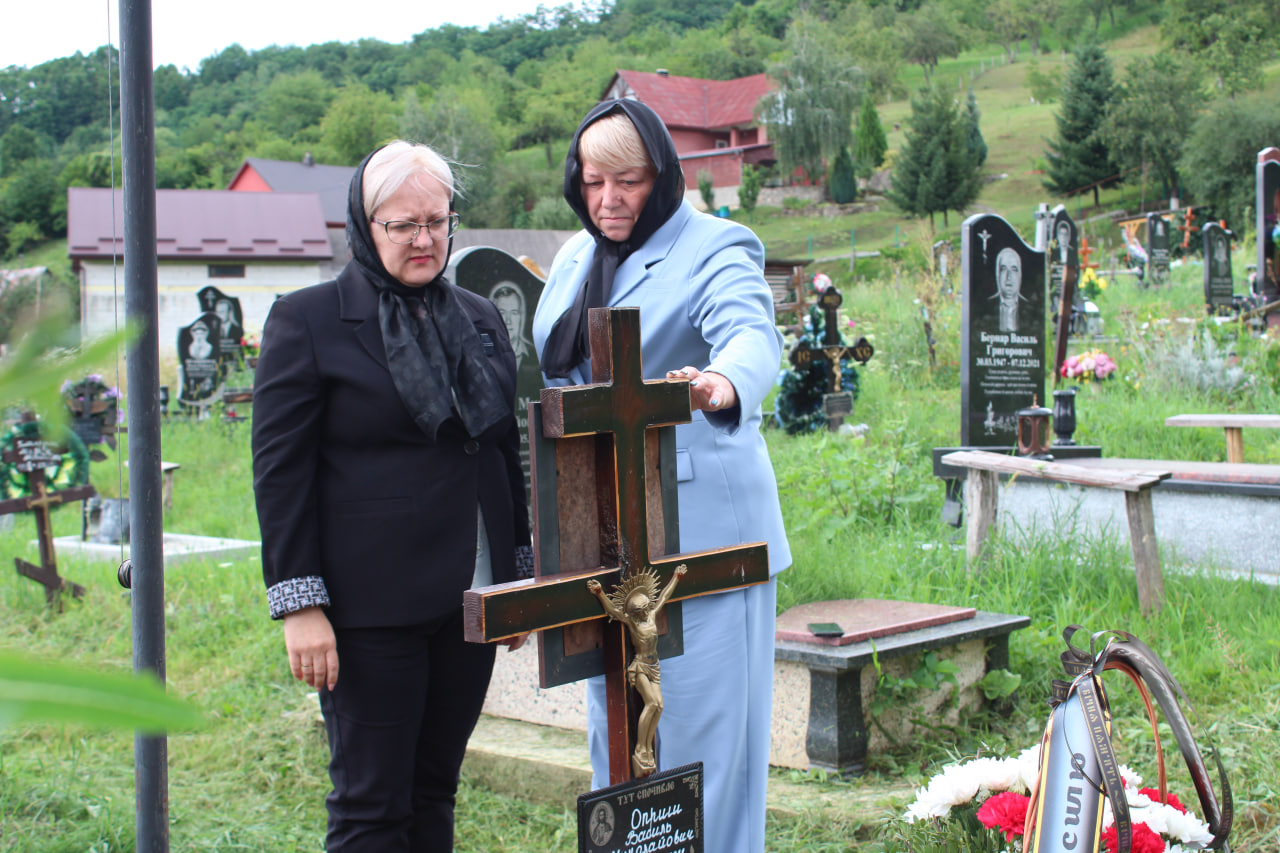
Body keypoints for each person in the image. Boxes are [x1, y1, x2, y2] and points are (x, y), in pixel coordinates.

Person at [252, 140, 531, 852]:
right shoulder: (308, 321)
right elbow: (280, 472)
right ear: (363, 225)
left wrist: (516, 575)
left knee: (435, 788)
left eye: (437, 221)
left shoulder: (477, 315)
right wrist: (299, 602)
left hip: (468, 597)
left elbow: (503, 446)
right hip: (367, 607)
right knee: (372, 806)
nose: (424, 238)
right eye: (402, 224)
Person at [532, 98, 791, 853]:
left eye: (628, 181)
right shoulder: (576, 255)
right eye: (591, 182)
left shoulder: (715, 244)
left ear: (664, 176)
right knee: (618, 734)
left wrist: (719, 382)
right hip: (605, 535)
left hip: (702, 539)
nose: (607, 201)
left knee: (703, 744)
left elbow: (750, 331)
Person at [994, 246, 1023, 332]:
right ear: (998, 274)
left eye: (1014, 270)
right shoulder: (984, 307)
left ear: (1020, 275)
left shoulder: (1032, 308)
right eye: (1003, 269)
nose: (1008, 277)